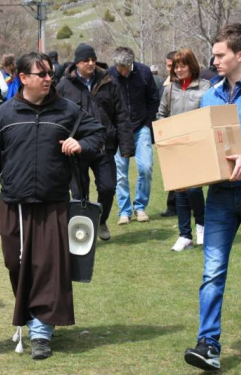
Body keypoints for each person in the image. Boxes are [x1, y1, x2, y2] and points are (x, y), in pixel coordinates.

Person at [0, 52, 105, 360]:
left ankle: (41, 330)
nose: (48, 79)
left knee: (46, 266)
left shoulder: (68, 111)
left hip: (52, 203)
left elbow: (98, 135)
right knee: (15, 264)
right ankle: (32, 315)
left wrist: (81, 144)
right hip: (13, 203)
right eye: (41, 74)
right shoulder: (4, 115)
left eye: (50, 74)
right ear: (23, 78)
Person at [184, 24, 241, 371]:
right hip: (220, 196)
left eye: (220, 54)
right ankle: (208, 344)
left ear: (240, 55)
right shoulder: (209, 96)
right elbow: (204, 147)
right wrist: (188, 173)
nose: (214, 60)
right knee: (212, 272)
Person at [57, 43, 134, 241]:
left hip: (104, 146)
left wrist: (126, 146)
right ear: (77, 63)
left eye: (93, 59)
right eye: (86, 60)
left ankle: (101, 220)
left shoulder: (109, 81)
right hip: (76, 148)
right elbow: (56, 117)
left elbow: (121, 115)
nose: (91, 63)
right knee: (79, 192)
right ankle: (83, 230)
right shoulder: (64, 86)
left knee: (108, 188)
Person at [156, 48, 210, 251]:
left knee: (194, 189)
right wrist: (166, 131)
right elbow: (161, 113)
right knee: (179, 191)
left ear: (191, 66)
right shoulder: (169, 89)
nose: (178, 70)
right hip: (176, 147)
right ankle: (184, 234)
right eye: (176, 66)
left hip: (197, 146)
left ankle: (202, 226)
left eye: (182, 65)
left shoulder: (205, 88)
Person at [109, 47, 159, 224]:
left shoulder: (144, 72)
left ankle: (140, 207)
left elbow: (153, 99)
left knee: (145, 167)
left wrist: (148, 121)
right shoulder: (109, 75)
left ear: (132, 63)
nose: (122, 71)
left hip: (141, 126)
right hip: (119, 130)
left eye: (125, 68)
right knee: (121, 173)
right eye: (119, 68)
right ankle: (124, 211)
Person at [160, 50, 178, 218]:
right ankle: (172, 206)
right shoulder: (165, 84)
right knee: (172, 171)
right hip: (169, 131)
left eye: (171, 65)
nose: (169, 69)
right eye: (168, 65)